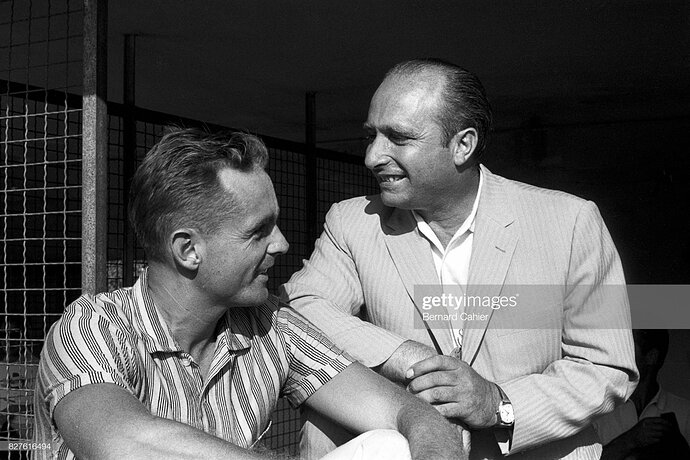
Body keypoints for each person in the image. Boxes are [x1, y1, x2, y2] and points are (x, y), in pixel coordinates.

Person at [33, 128, 466, 460]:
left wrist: (430, 442)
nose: (280, 244)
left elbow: (403, 414)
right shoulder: (93, 326)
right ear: (189, 250)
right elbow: (121, 444)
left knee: (388, 447)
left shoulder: (271, 324)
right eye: (258, 231)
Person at [281, 58, 639, 459]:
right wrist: (405, 357)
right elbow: (300, 309)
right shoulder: (353, 222)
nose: (372, 157)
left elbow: (608, 369)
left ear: (462, 145)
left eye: (398, 138)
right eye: (371, 137)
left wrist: (498, 404)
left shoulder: (571, 223)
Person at [595, 329, 690, 459]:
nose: (619, 355)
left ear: (651, 357)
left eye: (628, 347)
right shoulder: (598, 409)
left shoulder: (686, 412)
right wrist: (629, 441)